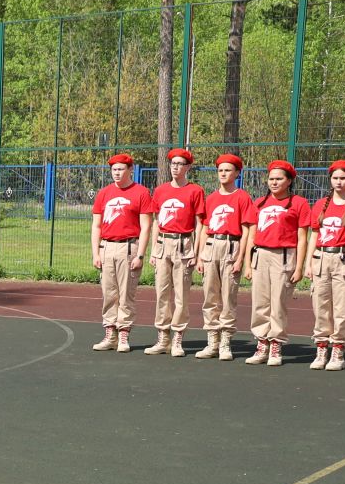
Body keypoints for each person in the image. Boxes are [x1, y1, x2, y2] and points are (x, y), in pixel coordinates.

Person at [239, 160, 311, 367]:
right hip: (261, 255)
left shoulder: (299, 203)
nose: (274, 182)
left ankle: (276, 344)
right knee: (260, 303)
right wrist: (247, 263)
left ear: (289, 181)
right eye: (271, 179)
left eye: (279, 179)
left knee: (278, 303)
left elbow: (302, 237)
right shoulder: (260, 203)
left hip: (284, 256)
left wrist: (299, 267)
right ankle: (262, 343)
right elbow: (252, 235)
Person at [307, 160, 345, 370]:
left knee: (341, 307)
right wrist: (308, 262)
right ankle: (321, 348)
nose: (339, 182)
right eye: (335, 178)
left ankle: (338, 351)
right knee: (320, 305)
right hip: (321, 258)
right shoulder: (320, 204)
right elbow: (314, 235)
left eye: (343, 178)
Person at [89, 153, 154, 352]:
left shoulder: (141, 193)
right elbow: (96, 226)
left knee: (126, 293)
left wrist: (140, 254)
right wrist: (96, 253)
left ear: (130, 170)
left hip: (129, 247)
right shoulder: (104, 193)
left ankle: (124, 335)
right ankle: (110, 335)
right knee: (109, 293)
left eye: (121, 169)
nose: (116, 173)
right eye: (114, 169)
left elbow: (146, 226)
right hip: (107, 247)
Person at [146, 148, 206, 357]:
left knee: (181, 294)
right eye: (173, 164)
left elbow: (200, 224)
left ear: (188, 167)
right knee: (162, 293)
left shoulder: (195, 191)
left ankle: (178, 337)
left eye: (180, 164)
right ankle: (163, 338)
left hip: (184, 246)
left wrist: (196, 253)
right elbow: (155, 222)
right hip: (163, 244)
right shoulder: (161, 190)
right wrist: (153, 250)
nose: (176, 167)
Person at [196, 154, 250, 360]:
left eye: (228, 170)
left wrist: (240, 258)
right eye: (220, 170)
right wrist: (200, 256)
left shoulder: (242, 197)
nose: (223, 174)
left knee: (228, 296)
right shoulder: (211, 198)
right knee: (210, 296)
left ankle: (226, 342)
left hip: (231, 246)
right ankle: (212, 341)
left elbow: (246, 231)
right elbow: (204, 228)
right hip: (211, 246)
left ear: (237, 173)